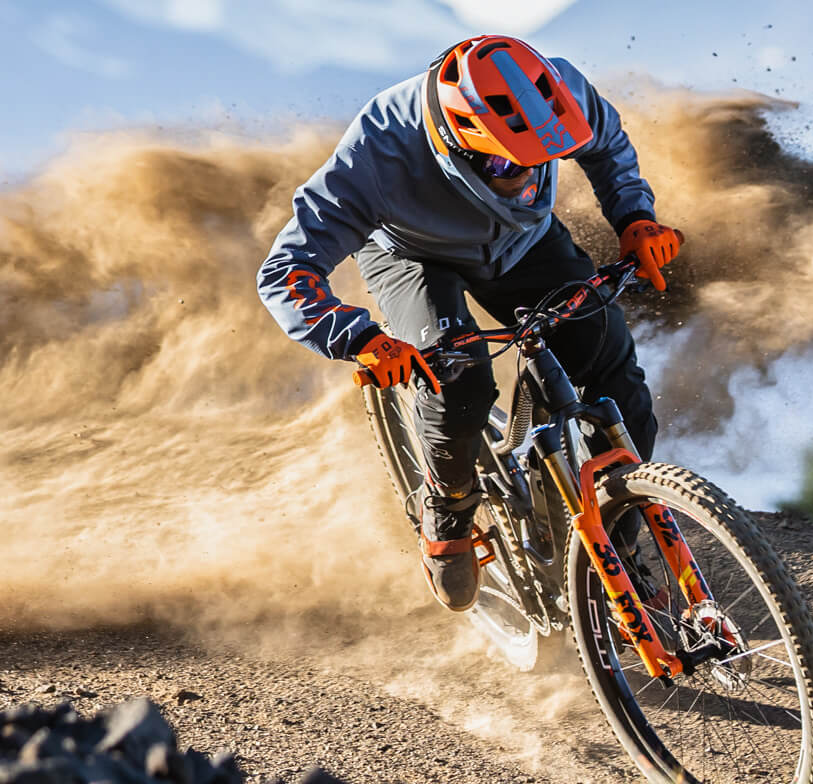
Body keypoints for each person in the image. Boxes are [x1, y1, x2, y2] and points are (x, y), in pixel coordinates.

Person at [257, 35, 682, 612]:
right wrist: (359, 338)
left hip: (524, 243)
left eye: (542, 159)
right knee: (459, 378)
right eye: (508, 163)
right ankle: (449, 503)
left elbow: (607, 147)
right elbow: (286, 270)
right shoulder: (377, 152)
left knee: (616, 378)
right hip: (413, 254)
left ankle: (619, 540)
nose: (528, 177)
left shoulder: (563, 93)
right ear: (453, 144)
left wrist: (635, 217)